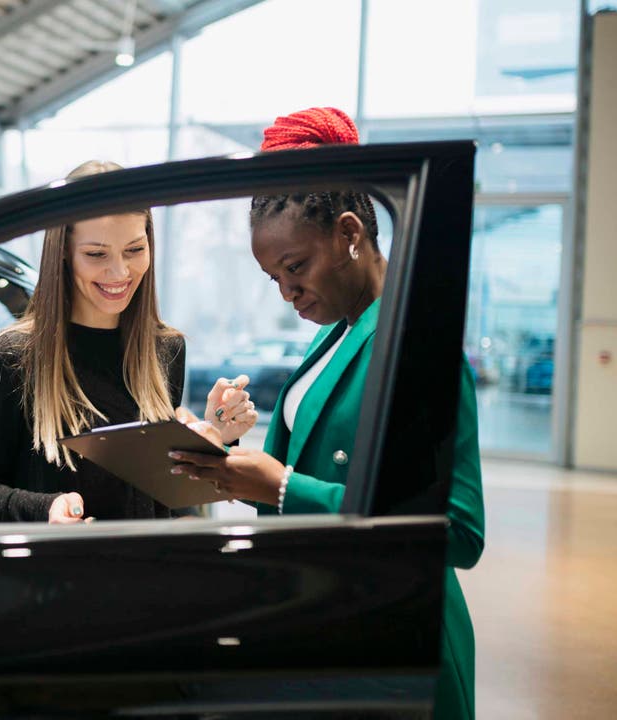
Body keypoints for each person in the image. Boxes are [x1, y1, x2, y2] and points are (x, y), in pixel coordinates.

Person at [168, 107, 485, 720]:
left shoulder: (416, 337)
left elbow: (461, 531)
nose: (286, 293)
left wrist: (283, 487)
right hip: (334, 617)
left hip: (399, 635)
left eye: (295, 268)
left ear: (349, 234)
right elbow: (306, 463)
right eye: (272, 277)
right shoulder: (337, 332)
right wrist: (226, 454)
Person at [0, 160, 258, 524]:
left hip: (148, 570)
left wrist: (215, 437)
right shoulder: (14, 356)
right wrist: (46, 509)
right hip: (58, 574)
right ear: (63, 254)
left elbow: (160, 492)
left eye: (135, 250)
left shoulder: (166, 350)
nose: (119, 272)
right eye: (97, 254)